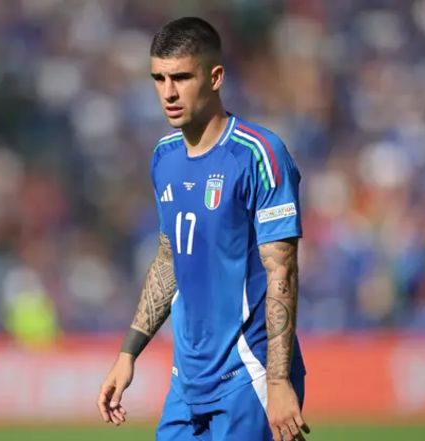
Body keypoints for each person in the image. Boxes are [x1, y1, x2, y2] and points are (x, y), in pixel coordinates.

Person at [96, 17, 309, 441]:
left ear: (215, 78)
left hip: (248, 375)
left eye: (181, 78)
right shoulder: (164, 157)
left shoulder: (259, 154)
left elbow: (281, 272)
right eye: (158, 79)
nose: (168, 93)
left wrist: (278, 380)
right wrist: (128, 353)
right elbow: (169, 257)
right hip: (187, 381)